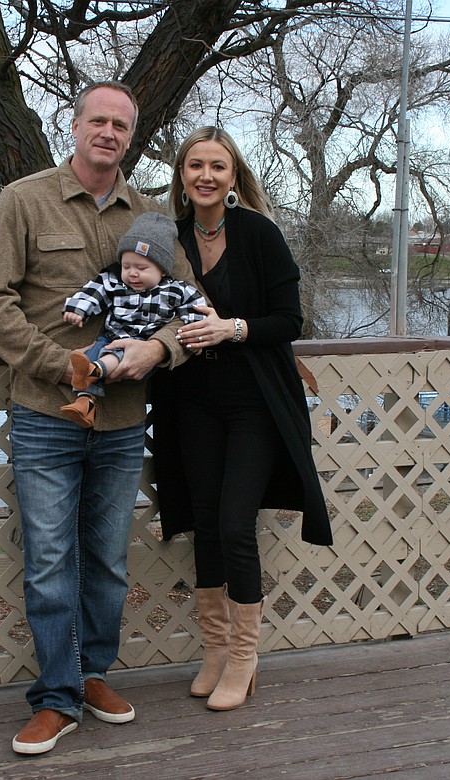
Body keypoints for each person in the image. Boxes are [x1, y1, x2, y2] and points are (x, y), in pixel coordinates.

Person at [0, 82, 198, 756]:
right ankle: (57, 697)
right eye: (97, 119)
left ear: (131, 135)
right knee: (47, 563)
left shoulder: (150, 217)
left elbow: (192, 308)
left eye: (120, 124)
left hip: (126, 422)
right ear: (75, 127)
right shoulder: (25, 201)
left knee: (105, 559)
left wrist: (160, 348)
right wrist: (58, 363)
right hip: (45, 415)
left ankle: (94, 673)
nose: (108, 132)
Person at [151, 126, 333, 712]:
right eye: (195, 166)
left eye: (218, 167)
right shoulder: (170, 238)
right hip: (190, 400)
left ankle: (246, 656)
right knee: (205, 523)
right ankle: (214, 649)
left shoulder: (259, 233)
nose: (206, 176)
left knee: (234, 524)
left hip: (255, 401)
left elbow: (289, 320)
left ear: (234, 178)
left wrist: (234, 328)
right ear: (182, 176)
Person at [61, 211, 208, 428]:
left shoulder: (174, 289)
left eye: (142, 268)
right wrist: (78, 309)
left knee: (109, 357)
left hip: (140, 346)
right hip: (110, 337)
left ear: (162, 269)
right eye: (126, 266)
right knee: (92, 352)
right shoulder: (115, 283)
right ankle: (85, 404)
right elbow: (93, 291)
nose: (133, 274)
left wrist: (194, 335)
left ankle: (95, 370)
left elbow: (197, 308)